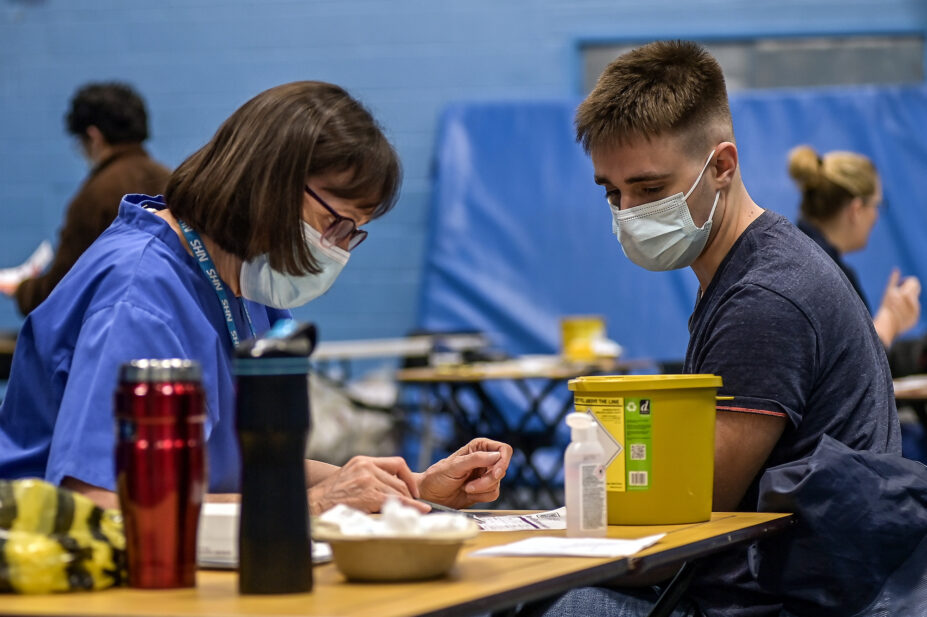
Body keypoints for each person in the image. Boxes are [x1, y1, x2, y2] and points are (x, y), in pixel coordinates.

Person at [0, 81, 512, 515]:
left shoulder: (243, 280)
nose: (335, 248)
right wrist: (310, 504)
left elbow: (236, 464)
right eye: (333, 223)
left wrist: (405, 489)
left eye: (353, 232)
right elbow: (102, 504)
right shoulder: (139, 295)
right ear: (267, 182)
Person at [518, 41, 899, 617]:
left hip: (778, 603)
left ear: (721, 166)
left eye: (649, 190)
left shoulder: (766, 298)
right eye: (612, 192)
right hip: (772, 583)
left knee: (561, 605)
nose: (627, 212)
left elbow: (686, 524)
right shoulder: (748, 266)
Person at [0, 82, 171, 315]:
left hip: (119, 330)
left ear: (94, 137)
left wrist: (23, 290)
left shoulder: (95, 196)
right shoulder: (170, 180)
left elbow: (63, 288)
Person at [789, 145, 925, 375]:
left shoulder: (801, 255)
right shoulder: (825, 274)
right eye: (876, 205)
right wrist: (889, 319)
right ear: (856, 209)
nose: (876, 216)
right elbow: (853, 373)